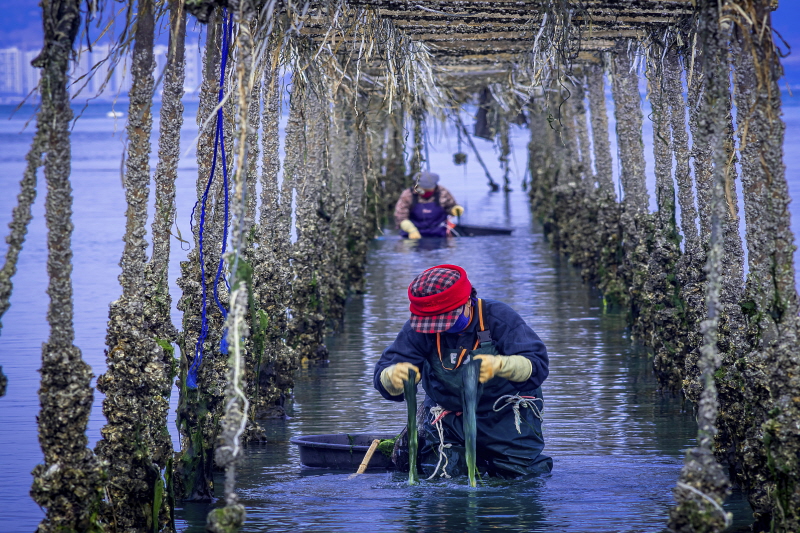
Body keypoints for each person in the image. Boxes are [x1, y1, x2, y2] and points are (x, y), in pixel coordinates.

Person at [373, 264, 553, 479]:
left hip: (506, 418)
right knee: (442, 477)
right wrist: (392, 378)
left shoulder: (499, 318)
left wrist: (503, 366)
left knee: (519, 478)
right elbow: (384, 372)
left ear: (468, 302)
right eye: (433, 324)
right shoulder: (420, 328)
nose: (440, 328)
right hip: (446, 420)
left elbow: (538, 364)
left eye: (446, 320)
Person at [394, 171, 465, 239]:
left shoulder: (442, 192)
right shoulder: (408, 195)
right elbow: (400, 217)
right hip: (413, 234)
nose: (425, 192)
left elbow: (450, 207)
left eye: (428, 190)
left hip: (438, 233)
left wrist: (455, 210)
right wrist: (411, 230)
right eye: (423, 190)